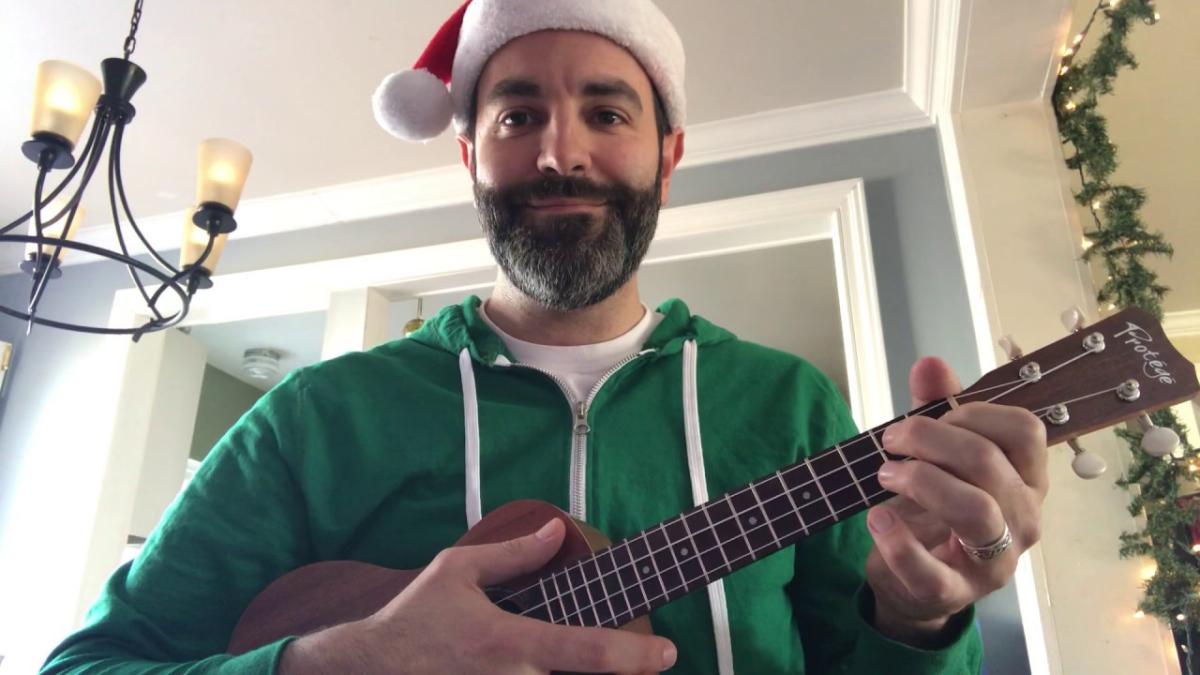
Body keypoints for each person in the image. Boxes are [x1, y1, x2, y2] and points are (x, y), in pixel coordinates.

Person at [42, 1, 1048, 673]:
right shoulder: (315, 417)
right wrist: (335, 661)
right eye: (518, 116)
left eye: (606, 113)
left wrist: (922, 621)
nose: (560, 151)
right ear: (470, 156)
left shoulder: (790, 407)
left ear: (670, 154)